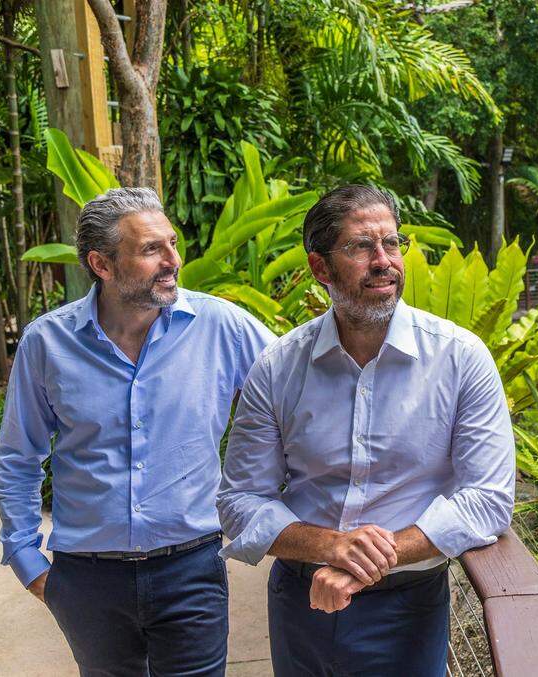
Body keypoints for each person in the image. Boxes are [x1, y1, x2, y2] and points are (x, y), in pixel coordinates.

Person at [217, 185, 515, 676]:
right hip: (301, 601)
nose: (384, 261)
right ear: (320, 268)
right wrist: (330, 547)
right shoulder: (277, 367)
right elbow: (239, 501)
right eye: (360, 247)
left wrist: (371, 559)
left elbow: (488, 499)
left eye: (392, 243)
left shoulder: (460, 358)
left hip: (409, 606)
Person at [0, 187, 276, 676]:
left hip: (191, 568)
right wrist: (26, 558)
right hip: (87, 577)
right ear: (102, 265)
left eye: (172, 243)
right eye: (151, 250)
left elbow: (295, 403)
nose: (173, 260)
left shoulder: (222, 326)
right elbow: (19, 455)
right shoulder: (48, 342)